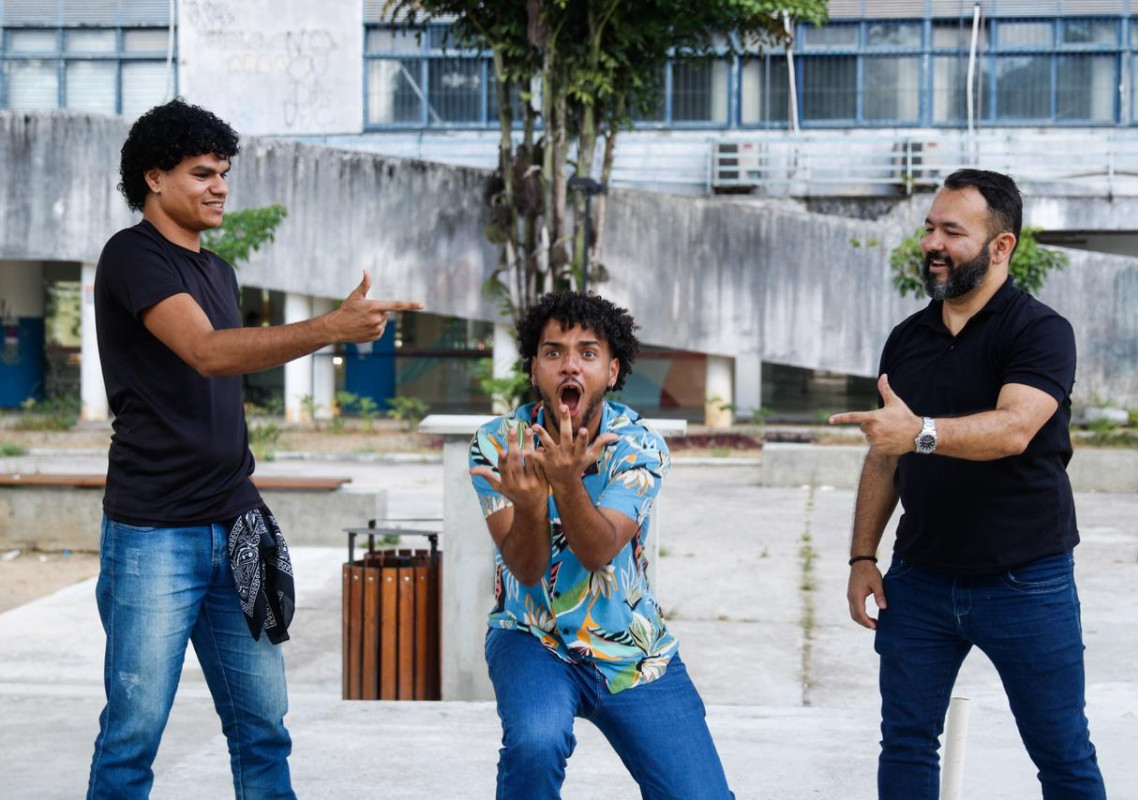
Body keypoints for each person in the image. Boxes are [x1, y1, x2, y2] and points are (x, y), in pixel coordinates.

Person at [88, 99, 421, 800]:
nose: (220, 188)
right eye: (202, 173)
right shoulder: (132, 257)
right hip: (155, 534)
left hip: (235, 523)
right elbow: (207, 353)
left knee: (264, 726)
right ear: (154, 177)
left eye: (225, 174)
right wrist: (332, 325)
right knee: (133, 733)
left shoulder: (220, 271)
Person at [829, 169, 1106, 799]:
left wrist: (920, 433)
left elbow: (1014, 428)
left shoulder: (1039, 331)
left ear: (1000, 246)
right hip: (920, 582)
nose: (933, 243)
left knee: (1062, 753)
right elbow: (884, 456)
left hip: (1025, 581)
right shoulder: (908, 338)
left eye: (953, 231)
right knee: (905, 744)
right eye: (929, 227)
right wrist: (863, 555)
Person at [468, 290, 734, 800]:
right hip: (532, 637)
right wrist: (528, 506)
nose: (570, 366)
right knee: (535, 742)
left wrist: (565, 485)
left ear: (612, 371)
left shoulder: (638, 446)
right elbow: (524, 571)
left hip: (631, 647)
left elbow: (597, 552)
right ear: (534, 368)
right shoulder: (498, 443)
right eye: (554, 352)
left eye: (588, 353)